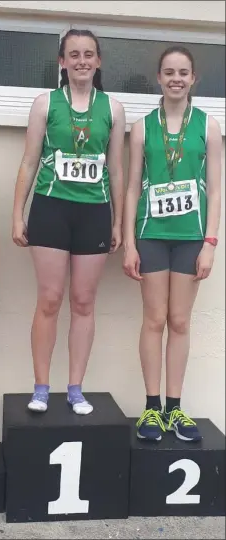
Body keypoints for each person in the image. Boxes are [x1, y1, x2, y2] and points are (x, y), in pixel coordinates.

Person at [12, 29, 125, 414]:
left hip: (94, 210)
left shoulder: (112, 108)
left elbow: (117, 170)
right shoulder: (45, 103)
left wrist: (119, 223)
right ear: (61, 61)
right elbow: (29, 160)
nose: (81, 61)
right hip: (50, 207)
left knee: (83, 301)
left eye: (88, 54)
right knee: (49, 299)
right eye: (73, 54)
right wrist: (17, 213)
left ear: (98, 61)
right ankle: (41, 386)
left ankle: (76, 387)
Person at [123, 46, 222, 441]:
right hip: (150, 235)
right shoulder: (144, 127)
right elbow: (132, 188)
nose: (176, 78)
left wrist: (210, 242)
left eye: (183, 72)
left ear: (193, 78)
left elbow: (215, 190)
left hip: (190, 237)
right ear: (159, 78)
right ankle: (151, 409)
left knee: (179, 321)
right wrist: (129, 242)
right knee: (154, 319)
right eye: (169, 72)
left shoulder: (208, 126)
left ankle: (174, 408)